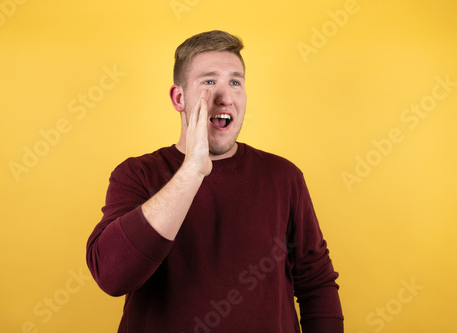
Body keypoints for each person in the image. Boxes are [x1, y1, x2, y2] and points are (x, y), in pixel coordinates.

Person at [86, 30, 344, 333]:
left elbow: (317, 283)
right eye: (209, 82)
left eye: (235, 82)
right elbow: (112, 277)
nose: (225, 97)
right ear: (179, 97)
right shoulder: (136, 174)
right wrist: (193, 169)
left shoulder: (284, 177)